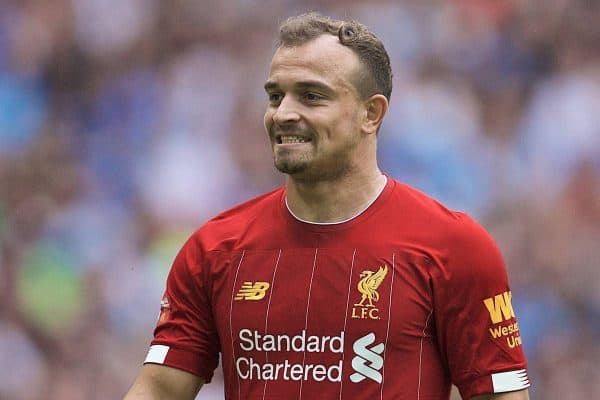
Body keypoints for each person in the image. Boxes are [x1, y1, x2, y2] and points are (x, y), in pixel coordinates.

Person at [124, 12, 530, 400]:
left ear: (371, 113)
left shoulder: (453, 247)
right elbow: (159, 388)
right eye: (275, 96)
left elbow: (502, 394)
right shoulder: (214, 249)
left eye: (311, 96)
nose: (283, 113)